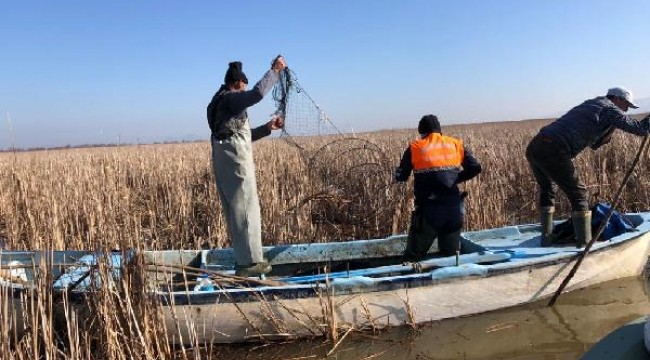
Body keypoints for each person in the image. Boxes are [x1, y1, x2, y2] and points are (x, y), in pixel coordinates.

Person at [526, 86, 650, 248]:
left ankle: (547, 238)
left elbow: (595, 143)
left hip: (535, 146)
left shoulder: (593, 104)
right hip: (554, 148)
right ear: (617, 99)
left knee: (548, 189)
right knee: (579, 193)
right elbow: (640, 129)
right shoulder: (610, 108)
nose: (626, 110)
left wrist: (611, 128)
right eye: (626, 105)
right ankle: (583, 244)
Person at [206, 55, 287, 277]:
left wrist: (267, 128)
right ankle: (250, 264)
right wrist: (275, 71)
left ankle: (244, 260)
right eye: (243, 86)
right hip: (235, 162)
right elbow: (258, 94)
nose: (244, 90)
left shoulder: (218, 102)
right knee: (246, 206)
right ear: (237, 84)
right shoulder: (231, 99)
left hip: (224, 158)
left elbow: (241, 135)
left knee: (236, 209)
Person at [395, 115, 482, 262]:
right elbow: (476, 167)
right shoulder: (455, 144)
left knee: (411, 259)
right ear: (439, 131)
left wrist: (396, 173)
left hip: (430, 211)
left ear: (422, 132)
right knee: (451, 258)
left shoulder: (415, 147)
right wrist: (454, 179)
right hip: (454, 210)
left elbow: (402, 176)